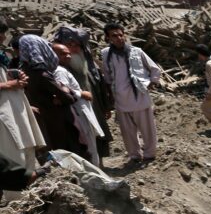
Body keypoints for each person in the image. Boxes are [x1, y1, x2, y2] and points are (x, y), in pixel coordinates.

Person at [100, 23, 162, 164]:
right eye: (114, 36)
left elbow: (154, 69)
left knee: (147, 129)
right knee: (127, 132)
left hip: (139, 97)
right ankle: (134, 155)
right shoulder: (105, 54)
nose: (119, 38)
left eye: (121, 35)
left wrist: (151, 83)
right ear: (108, 38)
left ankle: (150, 154)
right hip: (120, 99)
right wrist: (110, 96)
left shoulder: (136, 51)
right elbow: (107, 77)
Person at [18, 35, 86, 158]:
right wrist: (66, 90)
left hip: (39, 123)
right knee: (70, 155)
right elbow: (68, 98)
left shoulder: (21, 72)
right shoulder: (42, 73)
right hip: (57, 122)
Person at [55, 26, 113, 158]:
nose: (75, 49)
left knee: (98, 138)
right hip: (76, 112)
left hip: (95, 108)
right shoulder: (59, 70)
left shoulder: (89, 65)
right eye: (70, 45)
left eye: (78, 45)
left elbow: (99, 87)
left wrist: (106, 107)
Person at [49, 42, 104, 166]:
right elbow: (64, 93)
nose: (68, 56)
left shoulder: (60, 70)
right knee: (89, 146)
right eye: (63, 54)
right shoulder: (59, 71)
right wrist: (81, 93)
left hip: (78, 111)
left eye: (68, 54)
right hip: (77, 112)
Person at [0, 51, 46, 177]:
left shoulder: (2, 58)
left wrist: (15, 76)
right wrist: (7, 84)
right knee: (13, 156)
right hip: (4, 115)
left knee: (27, 152)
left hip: (16, 110)